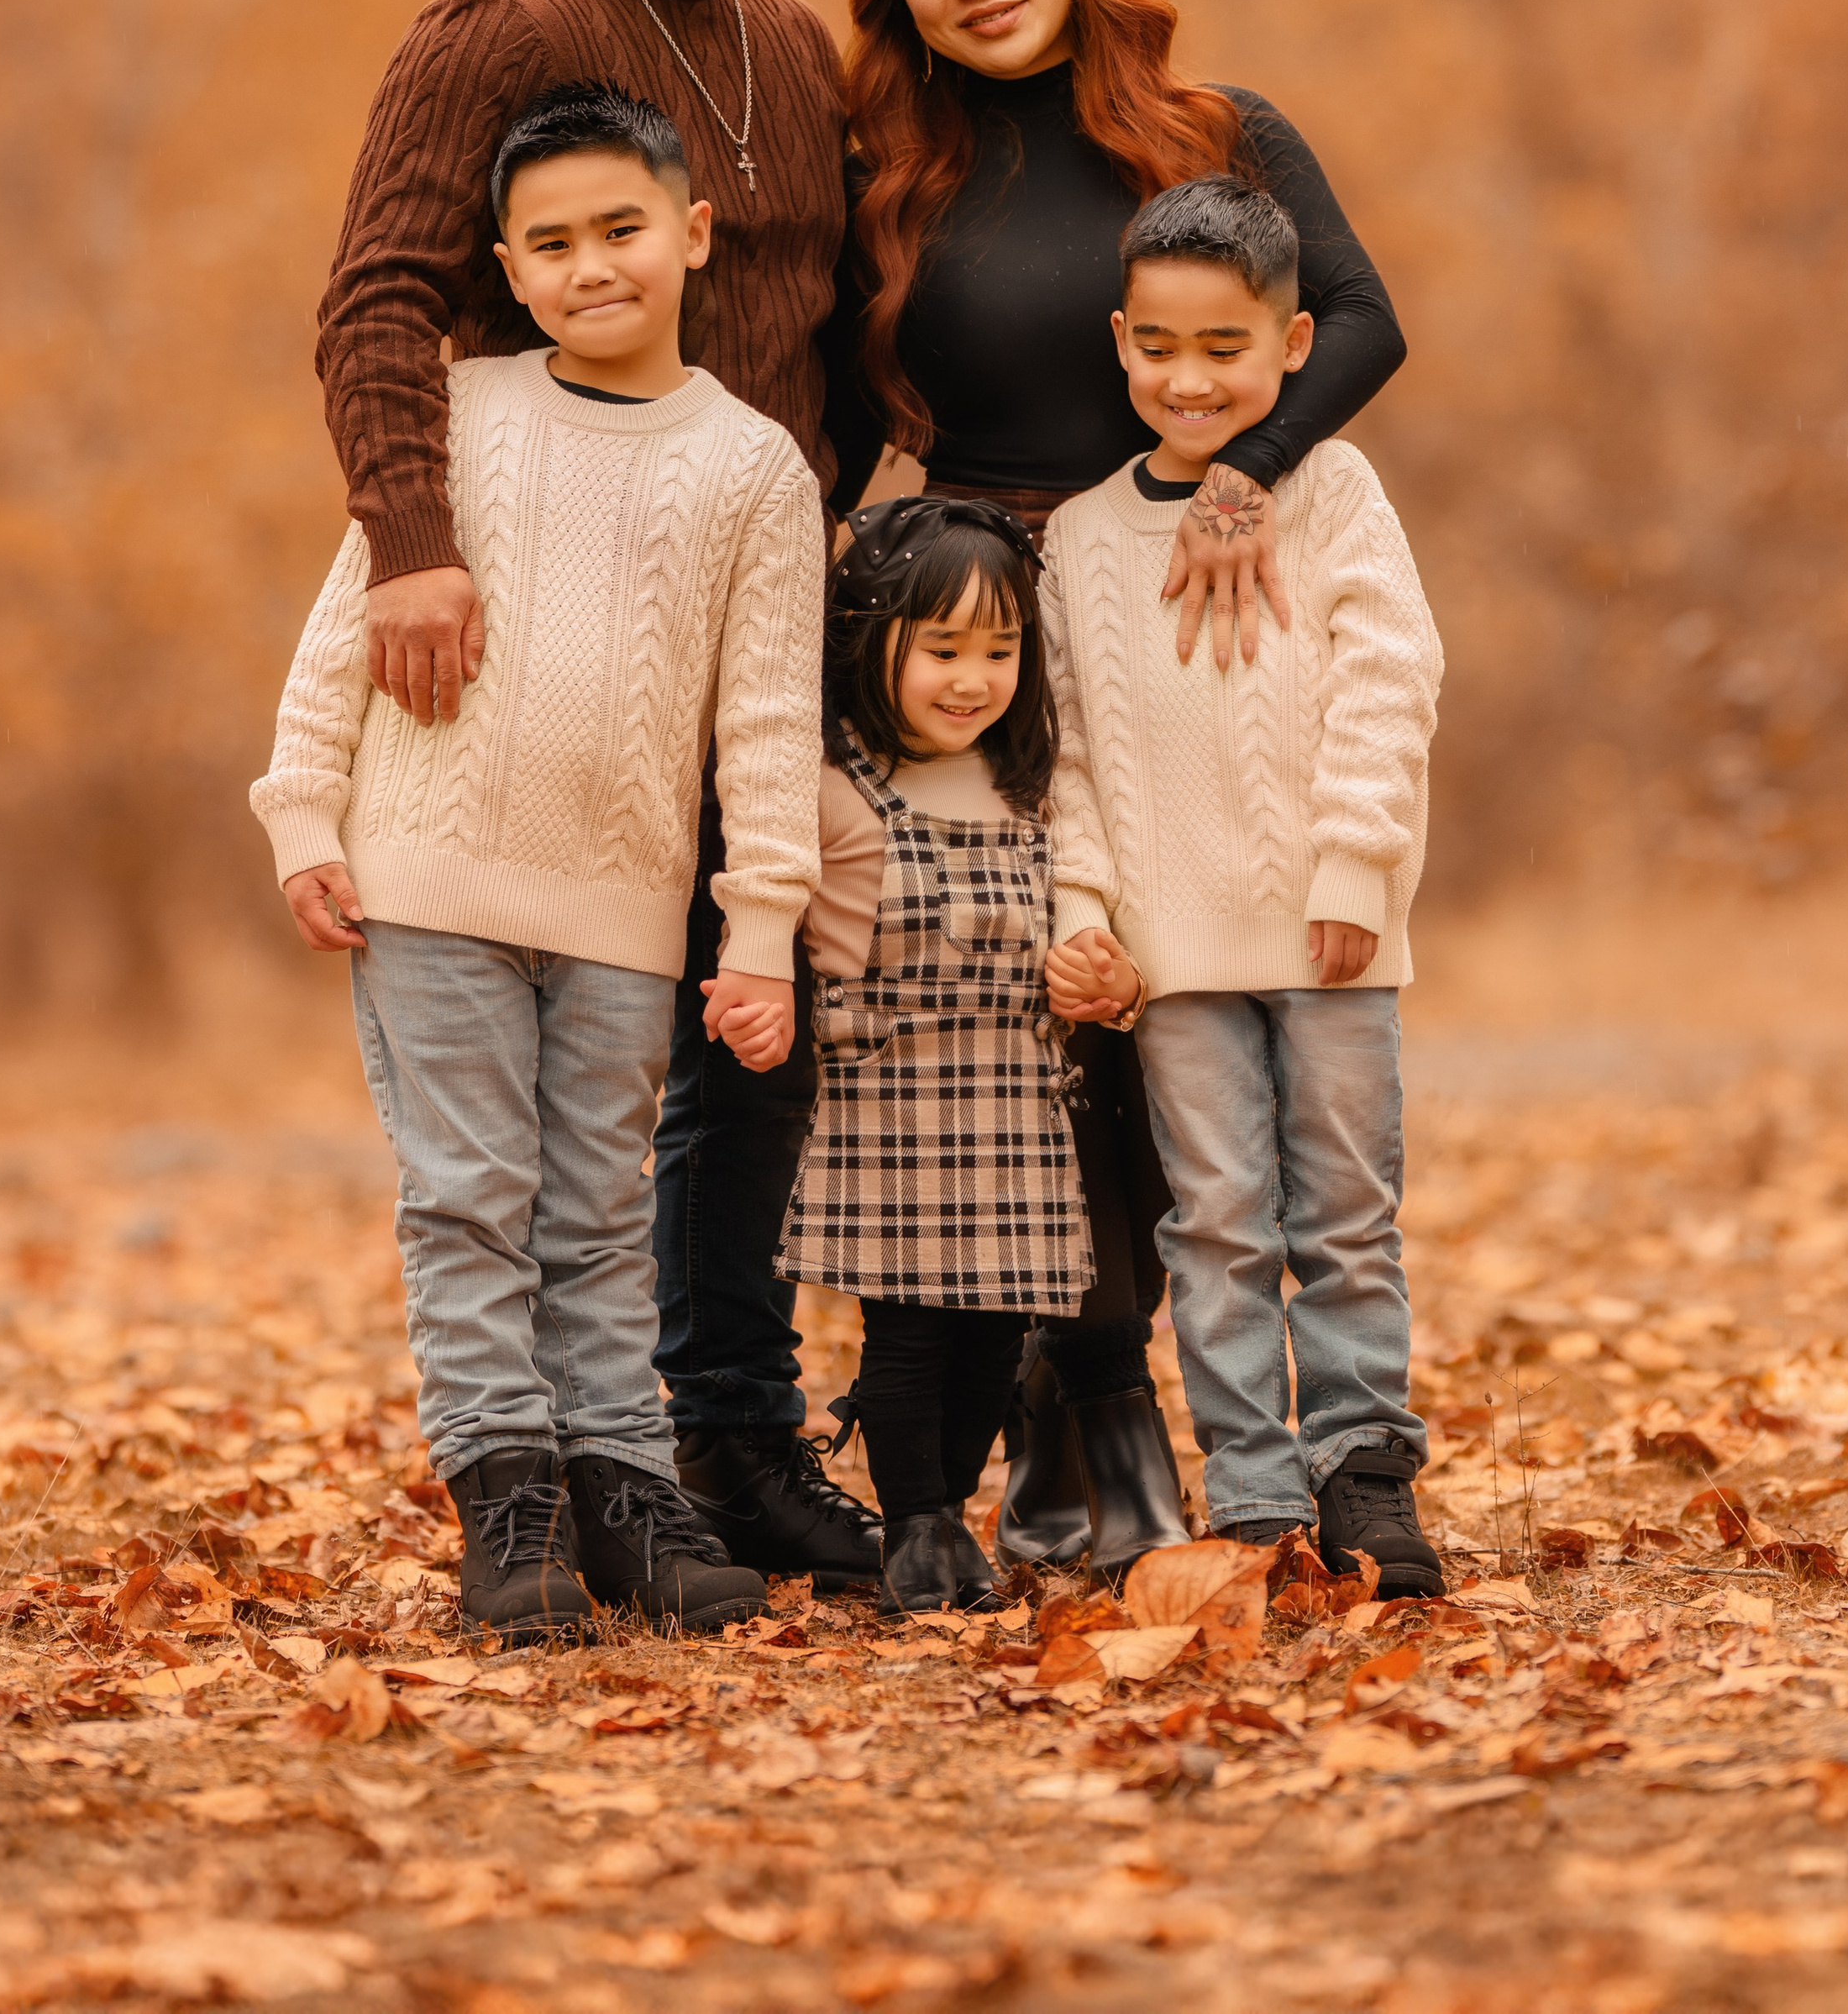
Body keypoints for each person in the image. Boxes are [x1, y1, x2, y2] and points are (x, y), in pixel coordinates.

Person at [313, 0, 880, 1590]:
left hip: (752, 598)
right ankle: (546, 1478)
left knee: (750, 1031)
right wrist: (410, 544)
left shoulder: (791, 49)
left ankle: (714, 1443)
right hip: (543, 632)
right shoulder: (503, 20)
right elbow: (378, 295)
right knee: (552, 1122)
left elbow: (830, 329)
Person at [828, 0, 1408, 1575]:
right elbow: (838, 426)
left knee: (1180, 1008)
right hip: (987, 631)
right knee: (1038, 1016)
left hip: (1197, 600)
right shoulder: (893, 181)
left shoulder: (1215, 134)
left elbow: (1360, 319)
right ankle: (1079, 1404)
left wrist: (1243, 481)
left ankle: (1165, 1414)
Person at [254, 82, 825, 1638]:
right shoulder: (462, 411)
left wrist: (760, 928)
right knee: (471, 1196)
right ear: (507, 268)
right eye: (552, 244)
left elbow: (768, 721)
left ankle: (624, 1484)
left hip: (624, 909)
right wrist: (304, 810)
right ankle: (508, 1500)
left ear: (692, 233)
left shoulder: (756, 468)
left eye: (620, 229)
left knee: (593, 1210)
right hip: (428, 877)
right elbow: (350, 624)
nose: (590, 266)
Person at [1040, 174, 1446, 1597]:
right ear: (1120, 340)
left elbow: (1392, 678)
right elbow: (1069, 754)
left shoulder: (1332, 489)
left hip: (1333, 932)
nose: (1189, 377)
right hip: (1171, 957)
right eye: (1159, 345)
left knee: (1344, 1215)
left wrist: (1351, 863)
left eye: (1226, 348)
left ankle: (1365, 1469)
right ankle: (1258, 1496)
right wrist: (1085, 917)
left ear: (1291, 346)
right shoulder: (1081, 537)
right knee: (1214, 1226)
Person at [710, 497, 1091, 1614]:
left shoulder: (1031, 786)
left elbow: (1084, 915)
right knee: (913, 1328)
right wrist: (758, 982)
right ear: (873, 642)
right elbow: (767, 898)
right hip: (891, 1100)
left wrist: (1103, 974)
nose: (973, 679)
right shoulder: (836, 786)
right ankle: (916, 1522)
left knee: (999, 1329)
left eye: (1000, 651)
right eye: (943, 649)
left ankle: (951, 1510)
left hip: (1017, 1100)